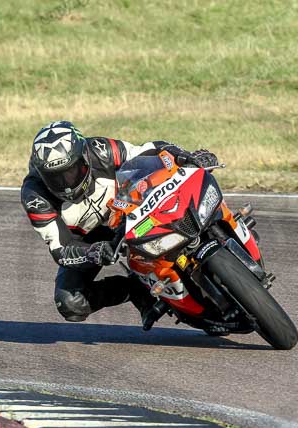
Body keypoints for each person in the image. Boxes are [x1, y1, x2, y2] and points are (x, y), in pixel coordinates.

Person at [20, 120, 218, 330]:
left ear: (84, 157)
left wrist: (185, 157)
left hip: (131, 208)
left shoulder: (100, 149)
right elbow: (61, 249)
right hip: (90, 240)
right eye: (55, 178)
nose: (66, 183)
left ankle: (220, 227)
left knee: (189, 187)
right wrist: (94, 253)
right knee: (70, 302)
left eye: (71, 171)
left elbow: (150, 150)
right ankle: (135, 289)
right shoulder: (35, 196)